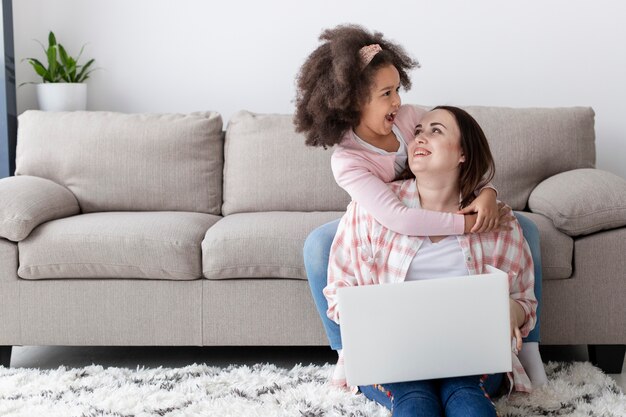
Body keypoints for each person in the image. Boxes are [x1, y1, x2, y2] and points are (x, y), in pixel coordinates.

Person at [294, 24, 547, 387]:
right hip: (381, 219)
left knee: (527, 227)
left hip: (431, 200)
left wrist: (486, 193)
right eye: (386, 93)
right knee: (319, 244)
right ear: (353, 103)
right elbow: (397, 217)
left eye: (397, 88)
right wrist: (464, 223)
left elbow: (459, 148)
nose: (397, 100)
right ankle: (346, 349)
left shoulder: (408, 118)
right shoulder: (348, 160)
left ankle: (530, 347)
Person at [324, 106, 537, 416]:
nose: (420, 138)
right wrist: (367, 323)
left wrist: (510, 313)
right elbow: (337, 292)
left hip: (471, 356)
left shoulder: (496, 220)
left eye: (436, 131)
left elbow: (524, 300)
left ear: (463, 153)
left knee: (467, 399)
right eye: (419, 131)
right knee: (415, 401)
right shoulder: (370, 210)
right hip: (392, 357)